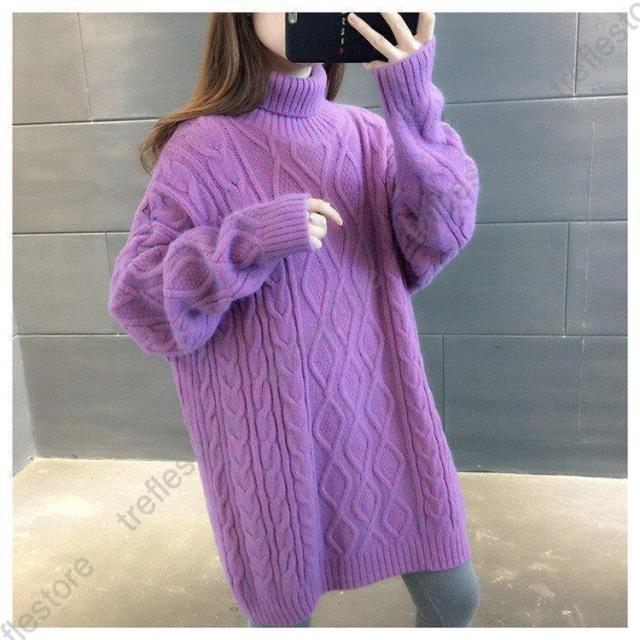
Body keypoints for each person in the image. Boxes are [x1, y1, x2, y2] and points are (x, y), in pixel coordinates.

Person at [107, 12, 481, 627]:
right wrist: (245, 241)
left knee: (456, 600)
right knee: (284, 619)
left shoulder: (367, 133)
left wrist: (413, 106)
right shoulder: (200, 147)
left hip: (383, 415)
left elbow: (440, 233)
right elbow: (139, 301)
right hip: (270, 441)